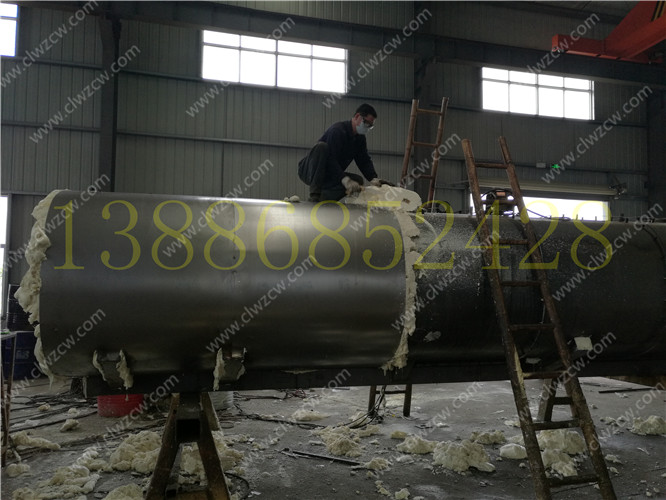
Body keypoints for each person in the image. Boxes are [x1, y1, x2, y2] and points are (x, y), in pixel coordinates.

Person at [298, 103, 392, 202]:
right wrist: (344, 179)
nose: (367, 127)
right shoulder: (337, 131)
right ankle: (314, 196)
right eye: (366, 123)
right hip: (310, 170)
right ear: (357, 117)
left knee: (357, 180)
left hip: (329, 174)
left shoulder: (360, 139)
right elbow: (331, 160)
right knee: (321, 147)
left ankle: (324, 200)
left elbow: (364, 160)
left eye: (370, 126)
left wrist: (373, 178)